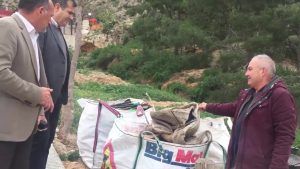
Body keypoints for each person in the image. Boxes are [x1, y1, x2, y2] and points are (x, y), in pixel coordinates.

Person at [199, 54, 296, 169]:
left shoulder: (279, 95)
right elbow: (233, 108)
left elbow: (285, 137)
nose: (246, 74)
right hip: (237, 162)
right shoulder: (249, 94)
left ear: (262, 71)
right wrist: (207, 106)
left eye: (250, 69)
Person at [0, 0, 54, 169]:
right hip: (6, 130)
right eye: (50, 16)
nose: (51, 21)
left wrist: (41, 108)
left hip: (24, 129)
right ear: (40, 11)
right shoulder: (8, 26)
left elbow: (35, 74)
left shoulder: (31, 33)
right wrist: (36, 94)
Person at [30, 0, 76, 169]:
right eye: (69, 13)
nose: (71, 18)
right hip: (43, 103)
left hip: (53, 103)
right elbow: (35, 66)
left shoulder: (56, 30)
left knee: (45, 146)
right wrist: (39, 104)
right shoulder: (43, 29)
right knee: (37, 150)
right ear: (56, 7)